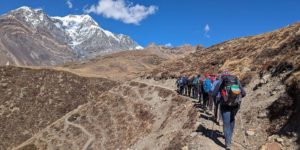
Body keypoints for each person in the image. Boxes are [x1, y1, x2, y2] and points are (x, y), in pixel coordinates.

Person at [212, 72, 246, 150]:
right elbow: (244, 93)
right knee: (232, 120)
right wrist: (237, 98)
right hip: (235, 105)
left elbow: (214, 93)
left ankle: (228, 143)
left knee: (226, 123)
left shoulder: (221, 81)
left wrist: (218, 100)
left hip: (224, 105)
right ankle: (229, 136)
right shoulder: (236, 81)